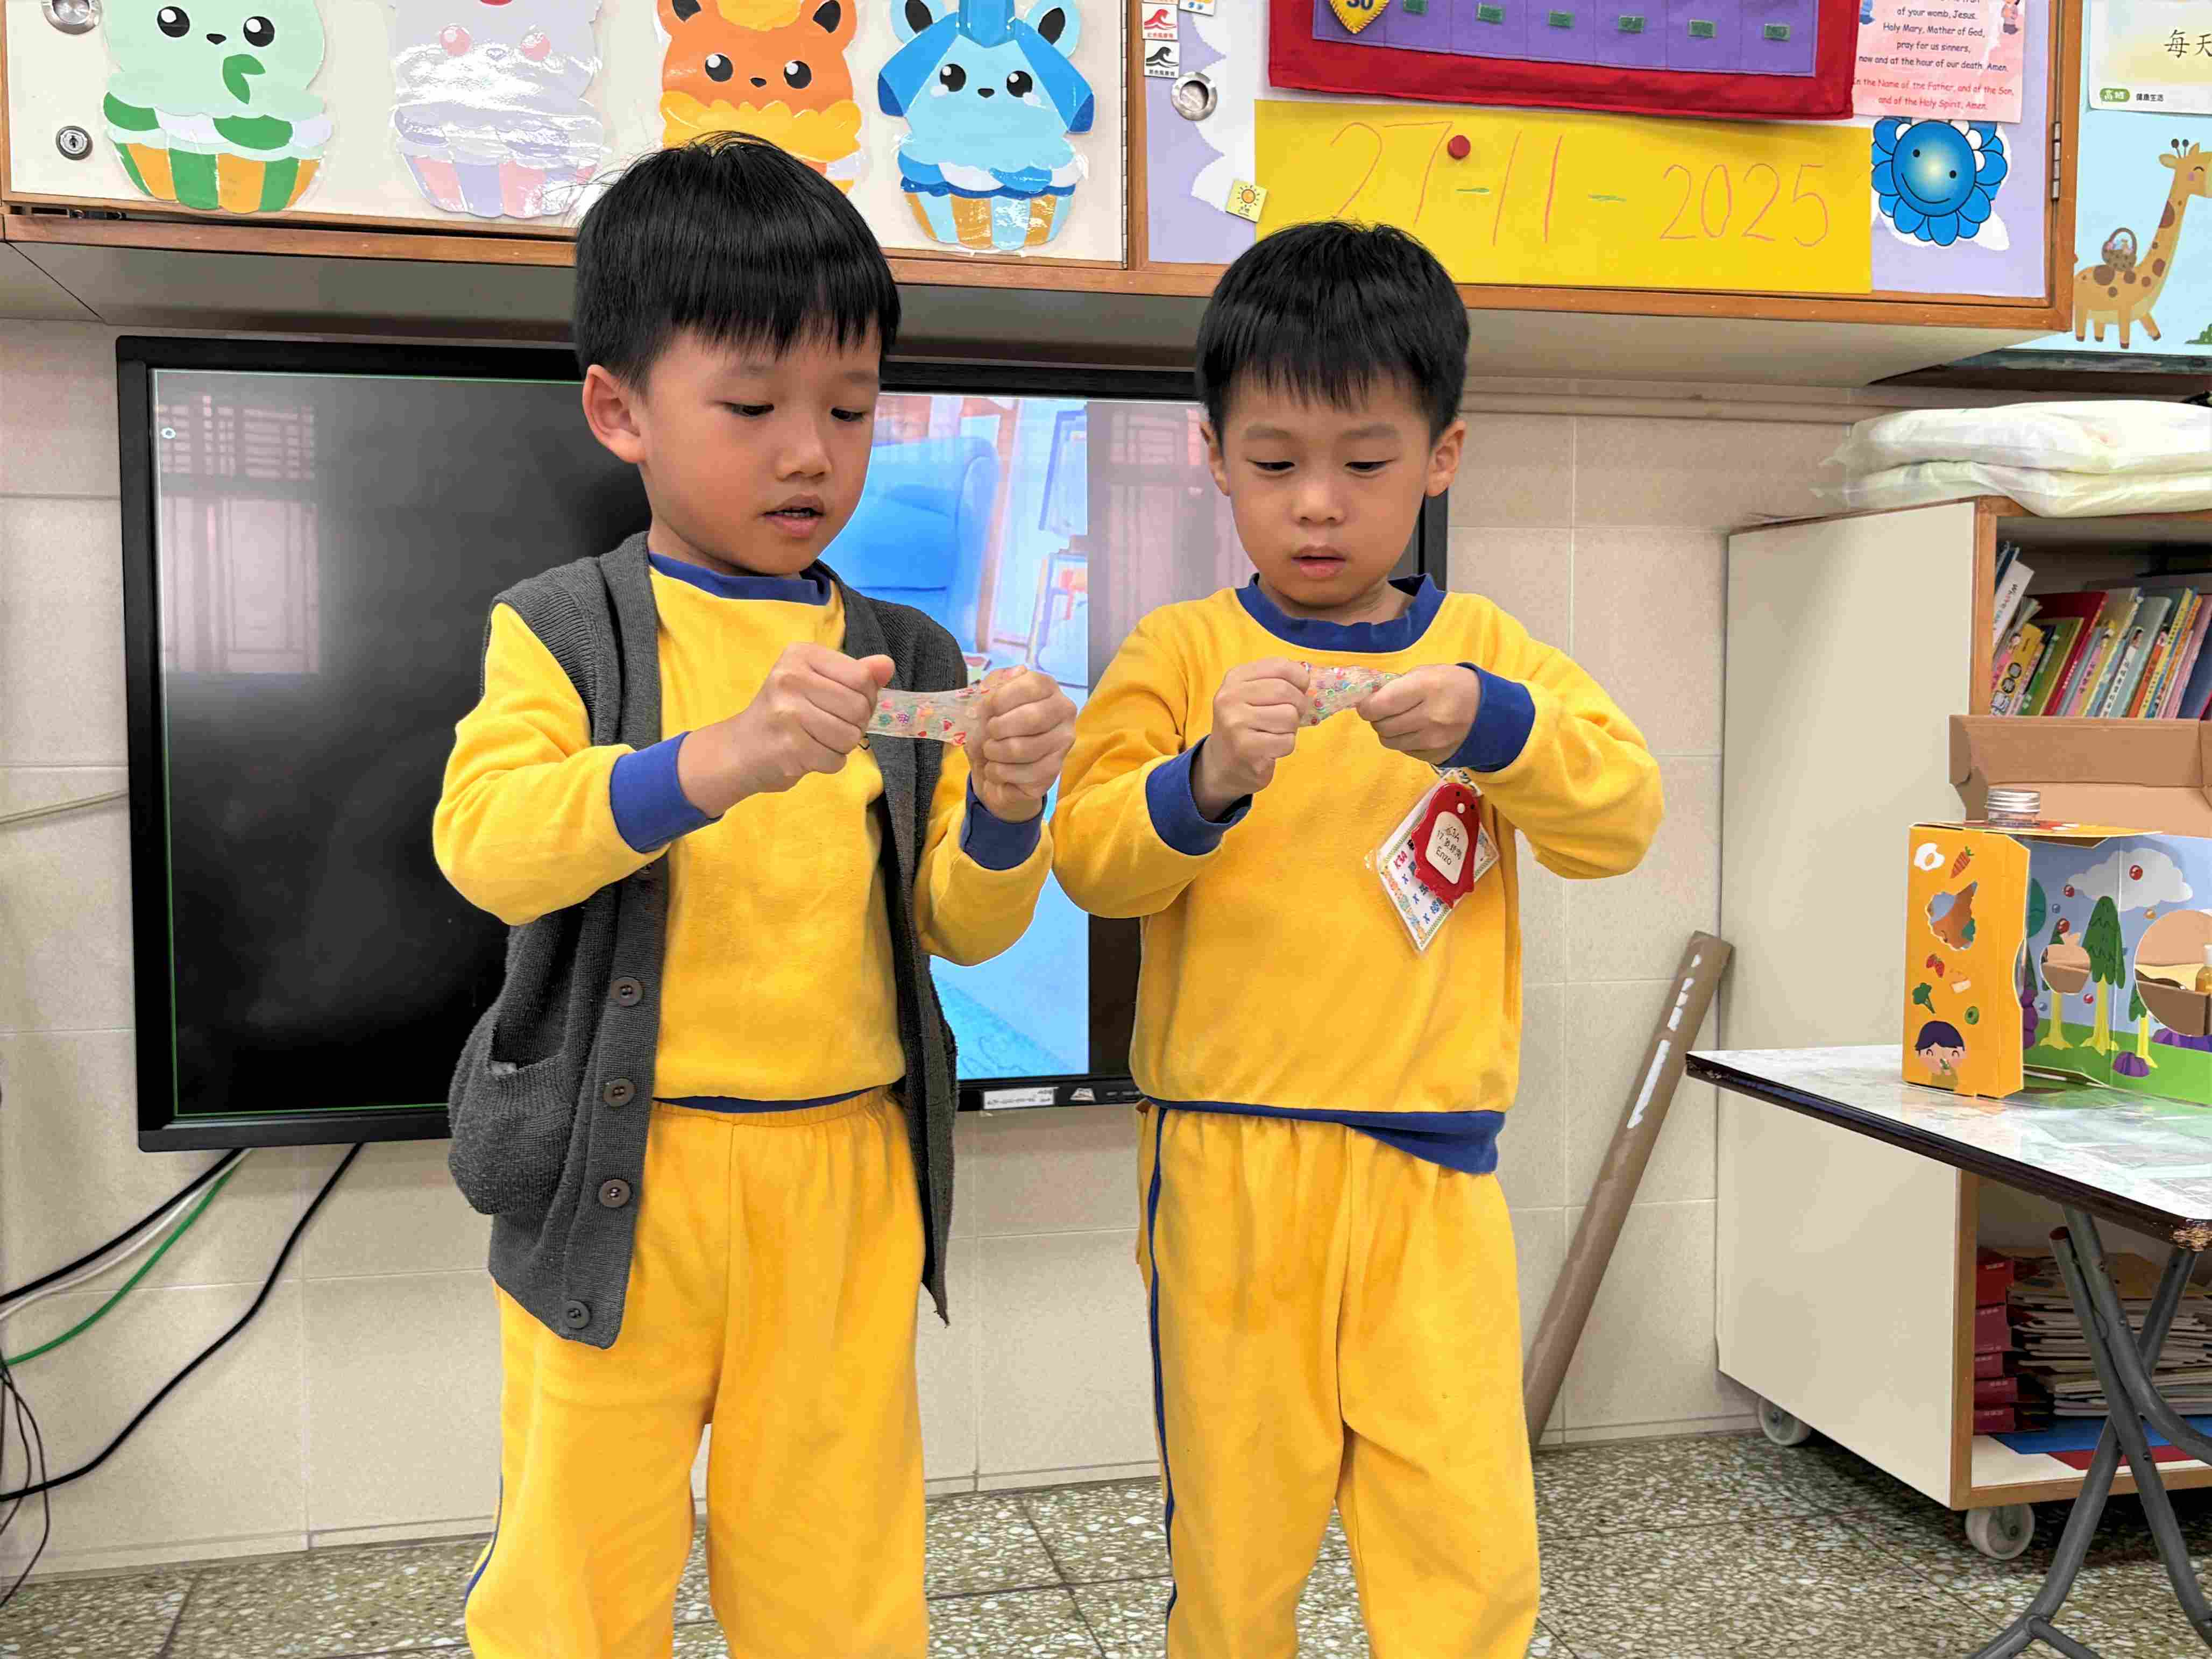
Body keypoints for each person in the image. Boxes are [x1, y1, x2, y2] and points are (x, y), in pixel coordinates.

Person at [431, 133, 1076, 1659]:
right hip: (622, 1177)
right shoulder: (563, 628)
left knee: (837, 1575)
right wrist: (708, 762)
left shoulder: (912, 654)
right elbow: (487, 843)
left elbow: (959, 926)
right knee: (578, 1573)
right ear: (620, 411)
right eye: (752, 406)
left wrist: (1008, 809)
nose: (811, 454)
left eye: (849, 409)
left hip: (844, 1176)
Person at [1052, 219, 1663, 1658]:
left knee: (1464, 1544)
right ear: (1212, 456)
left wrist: (1497, 728)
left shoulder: (1488, 658)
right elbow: (1091, 861)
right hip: (1225, 1172)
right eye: (1274, 464)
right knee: (1237, 1543)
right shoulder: (1178, 654)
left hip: (1427, 1176)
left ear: (1441, 457)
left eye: (1366, 463)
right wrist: (1204, 779)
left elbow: (1621, 817)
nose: (1317, 505)